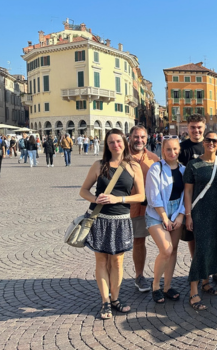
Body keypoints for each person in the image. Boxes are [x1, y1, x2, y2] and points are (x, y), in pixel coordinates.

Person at [79, 129, 145, 319]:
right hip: (99, 219)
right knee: (101, 261)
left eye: (118, 141)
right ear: (106, 146)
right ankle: (105, 301)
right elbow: (83, 191)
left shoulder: (133, 166)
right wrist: (95, 199)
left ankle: (115, 298)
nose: (115, 145)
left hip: (121, 220)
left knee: (117, 261)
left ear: (124, 142)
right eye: (111, 142)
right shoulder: (99, 165)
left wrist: (119, 199)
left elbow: (141, 196)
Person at [178, 113, 217, 286]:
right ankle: (200, 267)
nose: (196, 130)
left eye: (199, 127)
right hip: (194, 203)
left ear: (204, 128)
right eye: (192, 127)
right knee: (195, 239)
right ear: (187, 128)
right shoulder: (182, 148)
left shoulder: (213, 145)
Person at [145, 138, 185, 303]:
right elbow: (154, 197)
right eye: (168, 149)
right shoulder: (156, 168)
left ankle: (167, 286)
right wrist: (164, 218)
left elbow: (186, 195)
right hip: (156, 214)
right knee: (166, 250)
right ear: (163, 151)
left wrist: (181, 215)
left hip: (176, 213)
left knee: (173, 250)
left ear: (179, 150)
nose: (172, 152)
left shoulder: (183, 169)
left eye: (175, 149)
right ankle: (155, 286)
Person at [128, 125, 160, 293]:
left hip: (152, 208)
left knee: (165, 244)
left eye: (142, 137)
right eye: (136, 137)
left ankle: (163, 278)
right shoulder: (122, 157)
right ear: (130, 137)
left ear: (147, 139)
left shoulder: (153, 158)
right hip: (129, 207)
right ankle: (139, 276)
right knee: (138, 241)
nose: (139, 140)